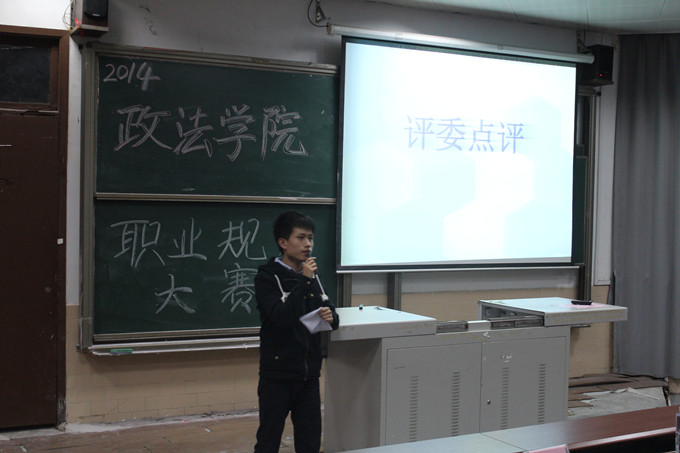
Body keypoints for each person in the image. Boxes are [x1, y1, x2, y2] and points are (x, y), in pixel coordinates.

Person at [253, 210, 340, 453]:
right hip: (277, 375)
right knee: (269, 441)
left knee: (310, 442)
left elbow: (331, 313)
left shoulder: (313, 276)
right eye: (300, 238)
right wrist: (304, 280)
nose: (308, 244)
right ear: (283, 242)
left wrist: (331, 317)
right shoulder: (267, 278)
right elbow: (282, 317)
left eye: (310, 238)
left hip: (308, 374)